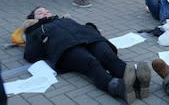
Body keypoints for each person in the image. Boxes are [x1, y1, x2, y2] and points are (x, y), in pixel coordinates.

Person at [23, 7, 151, 104]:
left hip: (89, 38)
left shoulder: (65, 19)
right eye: (40, 13)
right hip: (66, 48)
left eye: (47, 11)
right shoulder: (34, 30)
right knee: (91, 62)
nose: (45, 13)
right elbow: (30, 55)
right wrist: (40, 42)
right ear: (33, 18)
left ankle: (138, 81)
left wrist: (90, 27)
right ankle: (117, 87)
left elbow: (82, 27)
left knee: (108, 56)